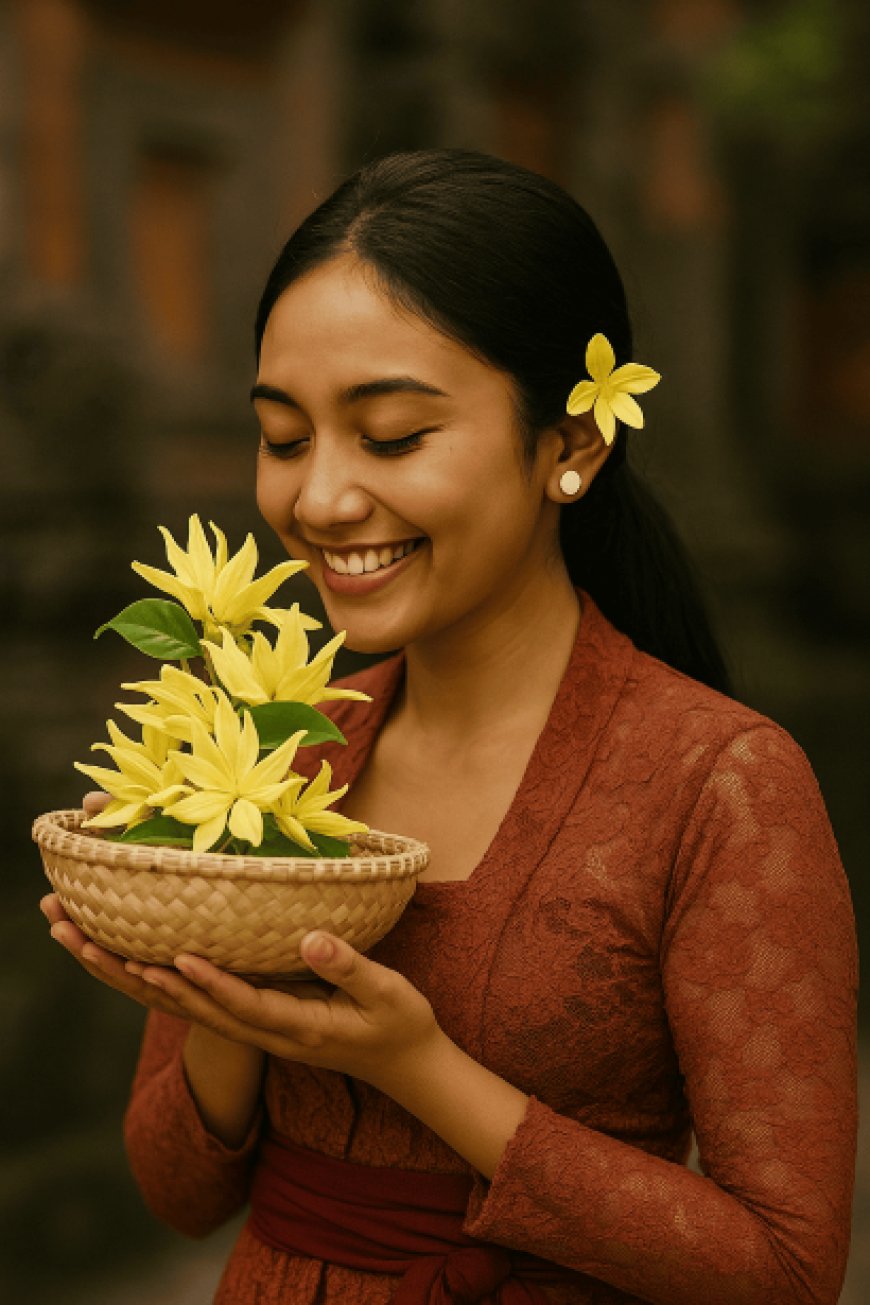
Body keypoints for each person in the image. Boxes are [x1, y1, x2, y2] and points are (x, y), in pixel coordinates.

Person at [42, 150, 857, 1305]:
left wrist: (416, 1067)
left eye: (390, 437)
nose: (319, 501)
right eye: (284, 438)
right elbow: (180, 1192)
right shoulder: (273, 746)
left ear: (571, 444)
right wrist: (217, 993)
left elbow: (784, 1269)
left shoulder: (720, 783)